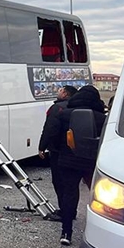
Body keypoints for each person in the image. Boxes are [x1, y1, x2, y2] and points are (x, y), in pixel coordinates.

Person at [52, 85, 106, 246]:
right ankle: (100, 232)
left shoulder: (65, 114)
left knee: (69, 195)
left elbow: (55, 135)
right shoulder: (102, 119)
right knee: (98, 196)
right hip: (91, 162)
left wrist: (58, 152)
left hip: (68, 161)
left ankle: (66, 232)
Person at [38, 84, 77, 220]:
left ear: (66, 94)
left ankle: (64, 212)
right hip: (73, 151)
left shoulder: (57, 108)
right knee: (71, 184)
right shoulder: (75, 108)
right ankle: (71, 211)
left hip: (58, 150)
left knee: (59, 182)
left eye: (60, 90)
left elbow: (50, 129)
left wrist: (42, 146)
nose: (58, 92)